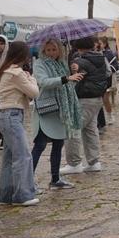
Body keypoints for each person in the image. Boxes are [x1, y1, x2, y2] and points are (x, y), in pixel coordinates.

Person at [30, 38, 85, 191]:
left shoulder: (61, 64)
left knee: (58, 144)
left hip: (61, 110)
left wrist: (73, 73)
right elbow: (44, 82)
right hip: (47, 109)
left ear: (59, 50)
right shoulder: (39, 64)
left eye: (54, 50)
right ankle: (27, 180)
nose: (51, 53)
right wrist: (66, 78)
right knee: (40, 145)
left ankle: (55, 179)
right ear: (43, 51)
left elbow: (67, 86)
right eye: (48, 50)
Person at [0, 41, 41, 206]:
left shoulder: (5, 71)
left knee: (9, 158)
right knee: (23, 156)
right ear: (23, 55)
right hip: (12, 116)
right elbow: (34, 93)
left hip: (6, 116)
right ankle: (23, 194)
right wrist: (33, 79)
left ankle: (5, 194)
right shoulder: (17, 73)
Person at [61, 35, 109, 175]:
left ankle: (74, 163)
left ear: (78, 47)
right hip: (96, 98)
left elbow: (73, 74)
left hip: (84, 97)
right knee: (90, 129)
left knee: (73, 128)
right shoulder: (101, 57)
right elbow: (108, 73)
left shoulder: (80, 61)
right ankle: (93, 162)